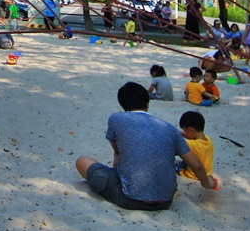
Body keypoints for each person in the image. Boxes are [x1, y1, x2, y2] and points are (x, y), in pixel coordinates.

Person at [74, 82, 216, 211]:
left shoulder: (116, 119)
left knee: (82, 161)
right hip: (166, 200)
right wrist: (207, 183)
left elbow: (117, 152)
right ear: (147, 103)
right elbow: (196, 165)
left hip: (130, 198)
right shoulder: (169, 128)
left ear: (122, 105)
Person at [177, 111, 214, 182]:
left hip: (192, 175)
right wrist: (179, 132)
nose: (184, 132)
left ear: (191, 130)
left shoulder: (191, 144)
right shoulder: (207, 139)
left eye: (184, 130)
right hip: (206, 173)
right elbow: (190, 135)